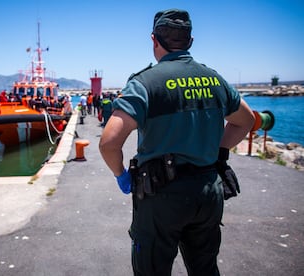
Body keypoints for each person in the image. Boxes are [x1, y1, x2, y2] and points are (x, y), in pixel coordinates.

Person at [99, 9, 255, 275]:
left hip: (161, 197)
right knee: (205, 268)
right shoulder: (214, 79)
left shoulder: (145, 83)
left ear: (154, 40)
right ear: (190, 41)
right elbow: (246, 120)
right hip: (207, 191)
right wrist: (218, 151)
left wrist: (120, 174)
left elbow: (109, 142)